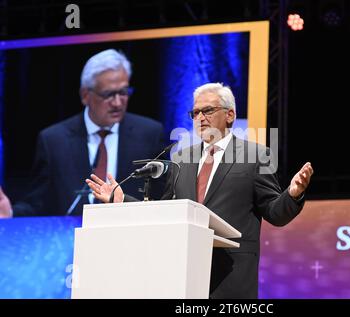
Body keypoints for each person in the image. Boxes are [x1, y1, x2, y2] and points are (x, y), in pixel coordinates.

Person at [85, 82, 314, 299]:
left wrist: (293, 193)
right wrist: (123, 200)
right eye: (195, 113)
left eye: (208, 110)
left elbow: (275, 213)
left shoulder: (254, 156)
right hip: (184, 274)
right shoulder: (182, 158)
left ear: (230, 115)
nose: (200, 118)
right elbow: (168, 211)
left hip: (231, 278)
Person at [0, 49, 165, 217]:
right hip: (70, 238)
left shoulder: (149, 134)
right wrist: (11, 213)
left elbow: (163, 198)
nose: (117, 103)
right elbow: (39, 203)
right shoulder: (54, 141)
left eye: (123, 92)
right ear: (85, 95)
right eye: (108, 94)